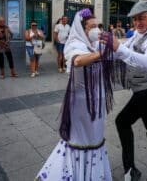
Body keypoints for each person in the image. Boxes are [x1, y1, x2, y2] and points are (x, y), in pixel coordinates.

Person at [35, 9, 112, 180]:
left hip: (97, 102)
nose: (97, 30)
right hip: (81, 105)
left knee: (96, 137)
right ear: (83, 29)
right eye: (92, 27)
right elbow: (77, 61)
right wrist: (101, 54)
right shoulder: (74, 44)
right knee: (82, 140)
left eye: (98, 26)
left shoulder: (95, 45)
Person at [112, 0, 147, 181]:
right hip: (141, 90)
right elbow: (123, 50)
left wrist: (118, 47)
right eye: (135, 20)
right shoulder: (137, 34)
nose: (138, 23)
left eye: (142, 18)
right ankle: (130, 168)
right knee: (122, 122)